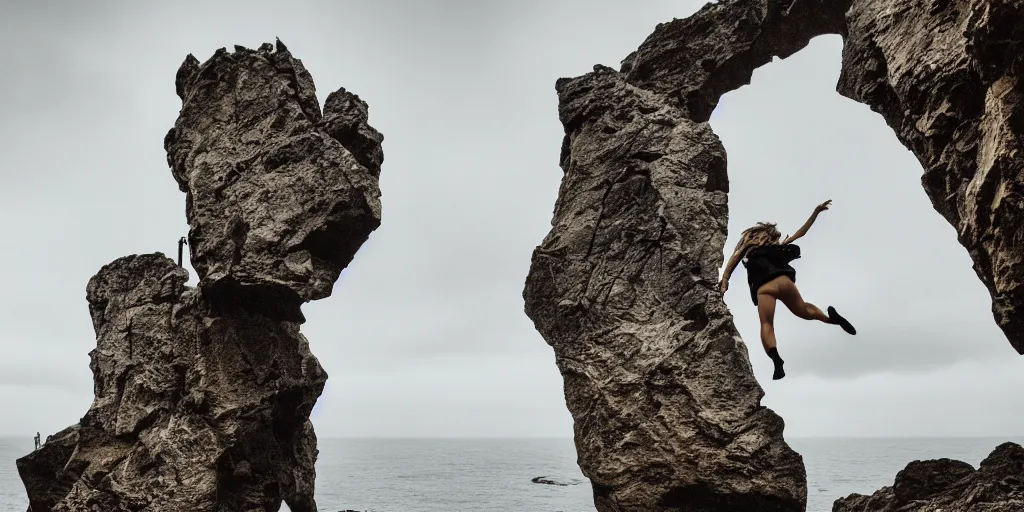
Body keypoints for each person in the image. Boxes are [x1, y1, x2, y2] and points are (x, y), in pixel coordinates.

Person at [719, 199, 856, 380]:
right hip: (784, 281)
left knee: (767, 324)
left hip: (764, 288)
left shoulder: (748, 250)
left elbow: (732, 261)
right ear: (771, 236)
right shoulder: (777, 247)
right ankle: (832, 320)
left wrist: (725, 281)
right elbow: (801, 233)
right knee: (805, 309)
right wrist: (815, 213)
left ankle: (776, 359)